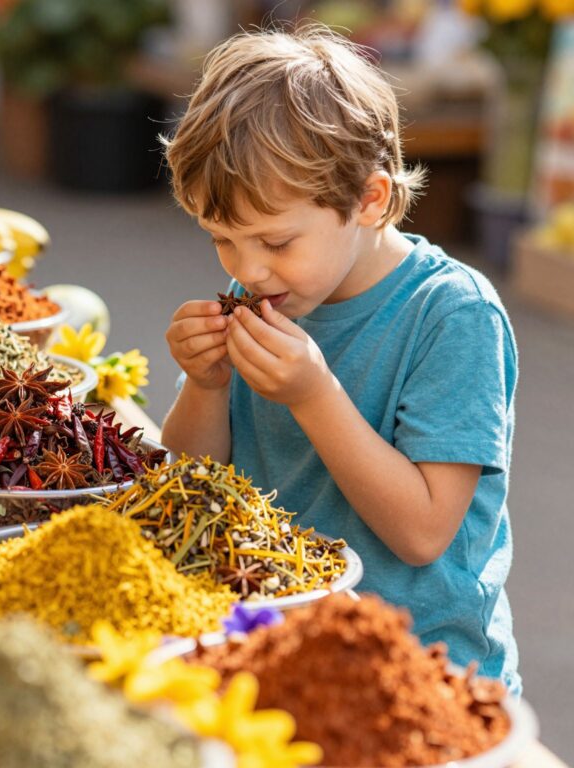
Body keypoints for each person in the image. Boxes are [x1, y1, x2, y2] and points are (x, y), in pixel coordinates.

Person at [161, 25, 520, 693]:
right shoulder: (266, 293)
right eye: (222, 241)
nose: (248, 269)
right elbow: (191, 483)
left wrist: (312, 394)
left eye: (274, 240)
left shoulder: (452, 315)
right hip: (277, 646)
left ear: (370, 199)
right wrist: (204, 386)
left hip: (422, 672)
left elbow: (423, 532)